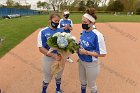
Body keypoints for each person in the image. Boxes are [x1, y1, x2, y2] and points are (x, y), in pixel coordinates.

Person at [78, 8, 107, 93]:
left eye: (85, 22)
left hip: (91, 63)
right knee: (82, 82)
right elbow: (82, 45)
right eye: (82, 21)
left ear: (92, 23)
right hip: (81, 61)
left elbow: (103, 54)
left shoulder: (97, 35)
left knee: (92, 85)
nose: (83, 24)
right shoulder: (83, 31)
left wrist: (86, 52)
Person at [37, 13, 64, 93]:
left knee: (58, 75)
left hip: (59, 58)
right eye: (55, 21)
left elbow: (65, 44)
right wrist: (53, 55)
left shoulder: (61, 31)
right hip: (48, 58)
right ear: (50, 20)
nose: (56, 23)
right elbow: (41, 48)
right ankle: (44, 91)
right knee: (47, 77)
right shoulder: (43, 32)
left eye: (58, 21)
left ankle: (58, 90)